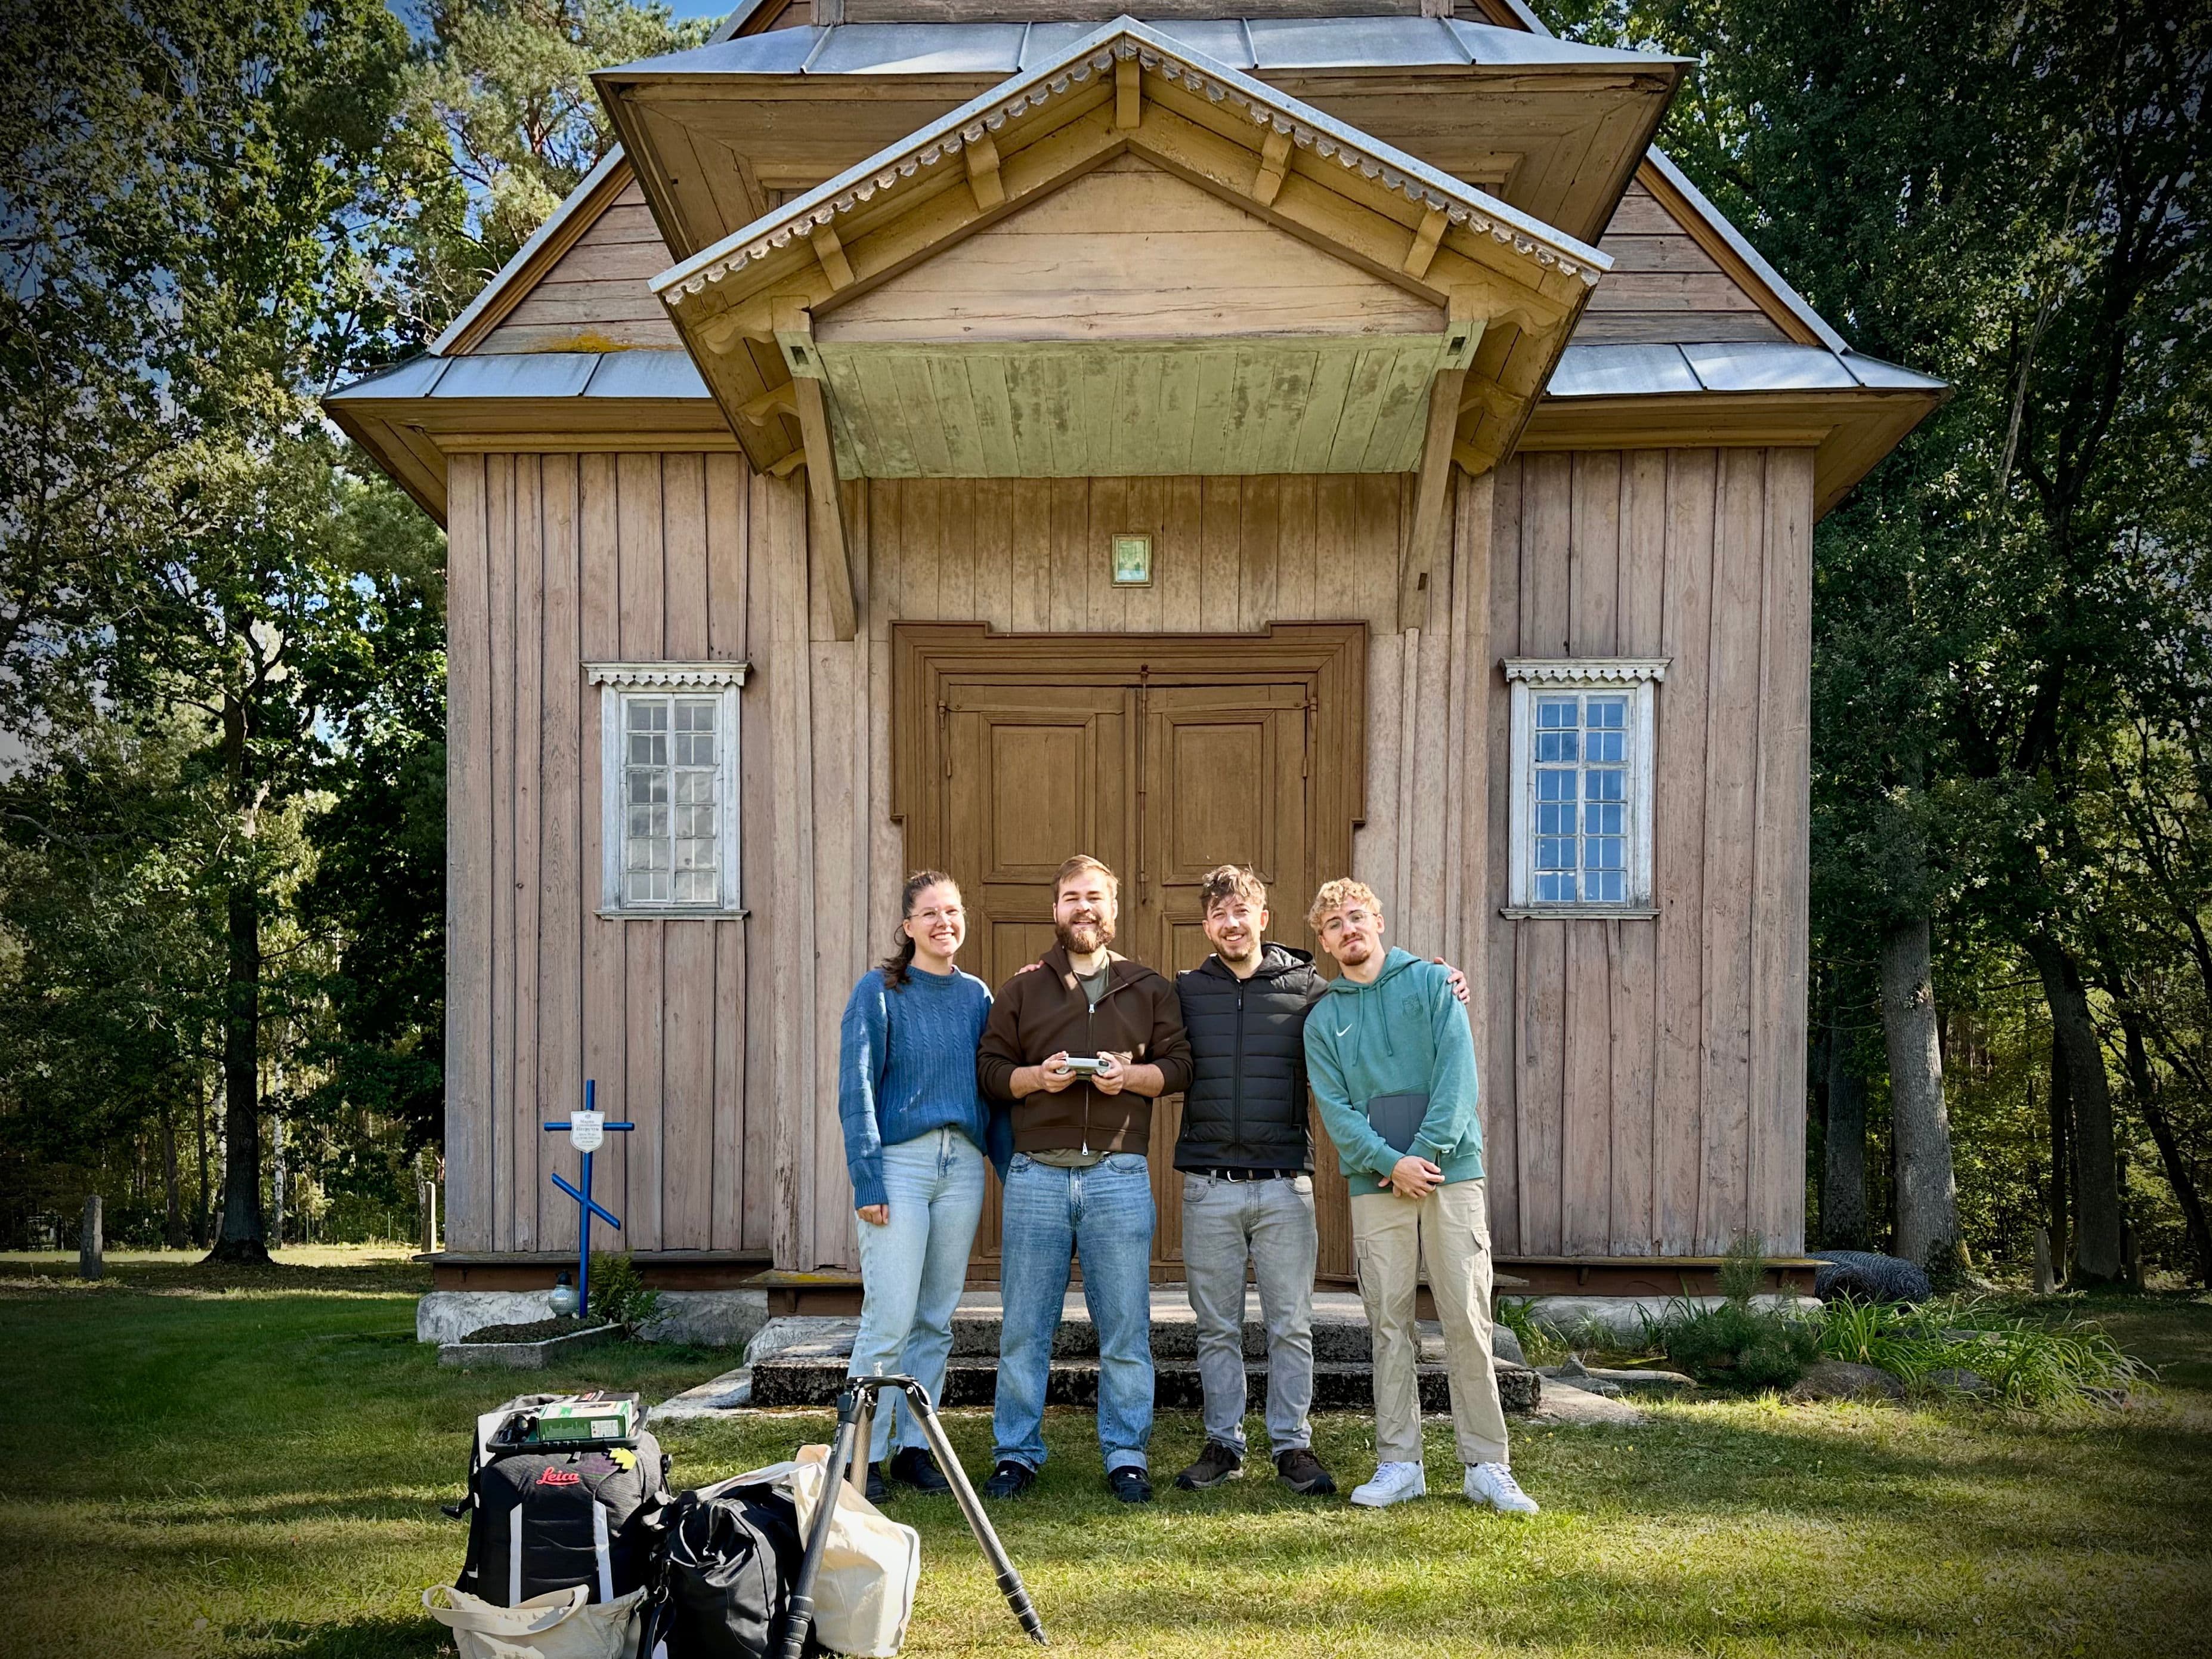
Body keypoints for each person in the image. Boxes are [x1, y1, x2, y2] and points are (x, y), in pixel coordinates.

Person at [1171, 865, 1472, 1499]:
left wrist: (1446, 984)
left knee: (1291, 1324)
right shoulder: (1183, 991)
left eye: (1242, 911)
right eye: (1219, 915)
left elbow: (1370, 993)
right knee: (1216, 1327)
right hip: (1208, 1183)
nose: (1231, 924)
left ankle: (1292, 1445)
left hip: (1285, 1182)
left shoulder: (1310, 988)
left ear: (1262, 919)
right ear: (1207, 926)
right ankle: (1223, 1444)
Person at [1301, 878, 1537, 1516]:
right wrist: (1388, 1163)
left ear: (1377, 921)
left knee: (1465, 1314)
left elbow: (1457, 1077)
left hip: (1450, 1175)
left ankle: (1487, 1463)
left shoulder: (1434, 986)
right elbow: (1337, 1113)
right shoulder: (1324, 1019)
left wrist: (1425, 1157)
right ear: (1322, 942)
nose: (1347, 929)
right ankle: (1399, 1462)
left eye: (1356, 917)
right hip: (1376, 1184)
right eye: (1333, 924)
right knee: (1388, 1322)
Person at [975, 854, 1192, 1504]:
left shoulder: (1147, 987)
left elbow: (1179, 1068)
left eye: (1094, 897)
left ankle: (1126, 1453)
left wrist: (1131, 1078)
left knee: (1125, 1327)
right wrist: (1034, 1078)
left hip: (1117, 1176)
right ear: (1056, 909)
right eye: (1071, 897)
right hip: (1037, 1177)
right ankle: (1016, 1453)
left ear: (1114, 908)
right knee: (1024, 1328)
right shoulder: (1021, 989)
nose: (1083, 908)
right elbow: (989, 1070)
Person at [838, 870, 1006, 1502]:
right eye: (930, 913)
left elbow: (989, 1093)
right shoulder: (879, 993)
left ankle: (914, 1448)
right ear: (908, 927)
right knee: (889, 1317)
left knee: (936, 1319)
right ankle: (864, 1455)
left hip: (959, 1166)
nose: (945, 923)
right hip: (901, 1166)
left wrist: (1009, 1169)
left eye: (953, 912)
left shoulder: (977, 998)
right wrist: (867, 1176)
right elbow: (855, 1088)